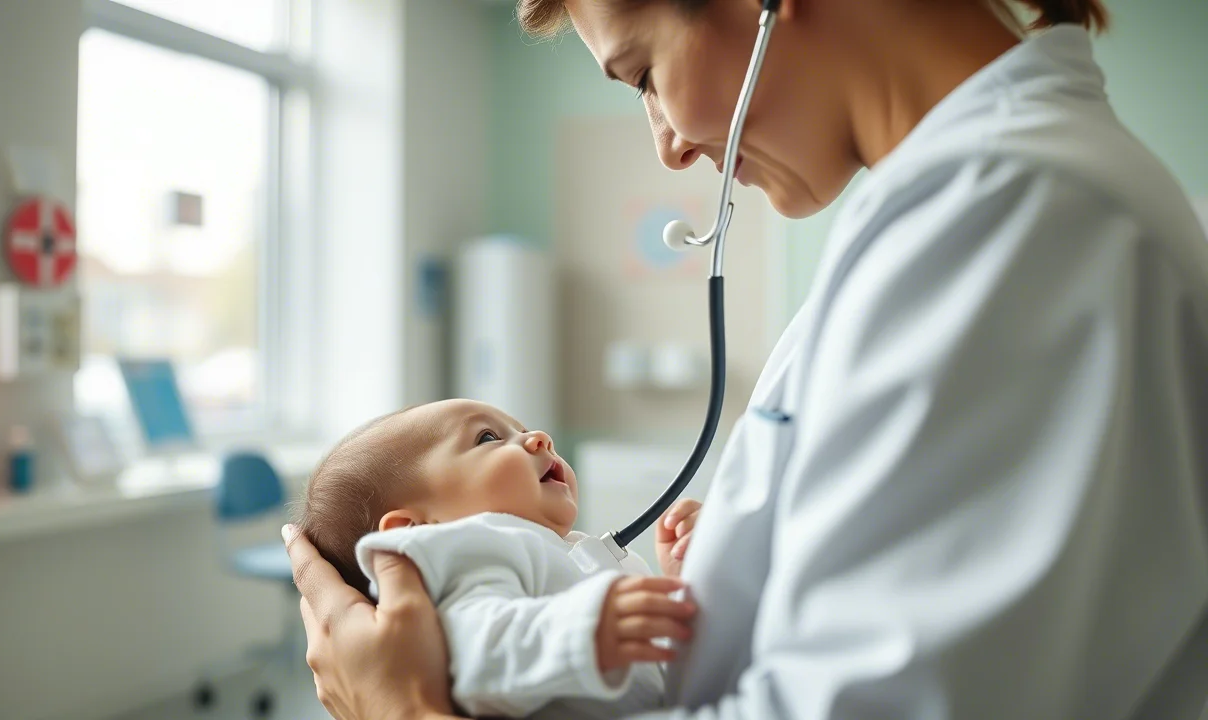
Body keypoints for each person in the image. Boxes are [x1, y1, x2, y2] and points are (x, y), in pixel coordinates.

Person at [285, 0, 1208, 717]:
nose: (672, 145)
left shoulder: (1013, 223)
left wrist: (402, 710)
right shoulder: (952, 218)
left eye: (644, 73)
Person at [293, 399, 702, 719]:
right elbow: (479, 649)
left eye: (521, 429)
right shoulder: (469, 550)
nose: (539, 437)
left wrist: (693, 578)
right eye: (487, 438)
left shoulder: (564, 551)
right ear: (413, 531)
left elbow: (654, 660)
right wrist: (583, 632)